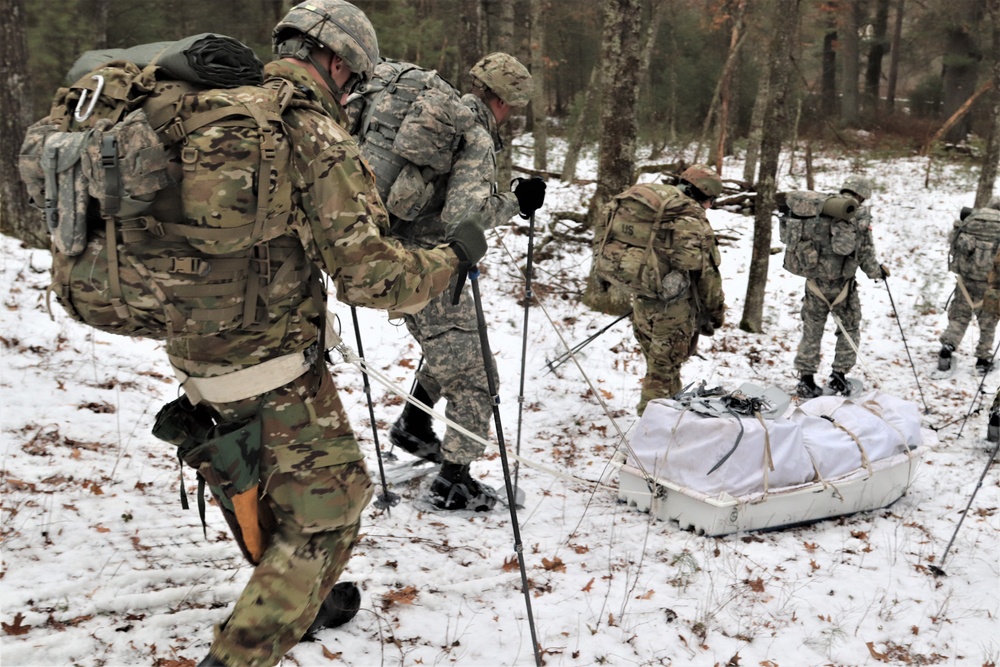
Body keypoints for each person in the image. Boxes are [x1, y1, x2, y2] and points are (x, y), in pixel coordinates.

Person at [181, 2, 488, 666]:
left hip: (192, 344)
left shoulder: (219, 106)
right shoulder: (309, 132)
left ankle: (304, 600)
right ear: (337, 61)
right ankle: (239, 653)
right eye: (353, 84)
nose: (351, 96)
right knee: (332, 512)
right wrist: (454, 257)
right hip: (269, 362)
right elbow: (373, 279)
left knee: (262, 486)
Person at [379, 52, 545, 512]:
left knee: (452, 351)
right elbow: (463, 218)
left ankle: (414, 425)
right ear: (506, 103)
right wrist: (515, 200)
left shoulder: (442, 121)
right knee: (476, 375)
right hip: (430, 266)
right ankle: (454, 482)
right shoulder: (473, 135)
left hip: (401, 257)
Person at [631, 165, 726, 416]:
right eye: (711, 200)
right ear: (703, 195)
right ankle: (649, 434)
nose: (710, 207)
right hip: (673, 312)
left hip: (642, 301)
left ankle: (672, 419)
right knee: (660, 374)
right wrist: (716, 311)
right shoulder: (692, 220)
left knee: (663, 366)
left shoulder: (655, 210)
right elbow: (707, 274)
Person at [794, 176, 888, 398]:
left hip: (814, 283)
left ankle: (806, 380)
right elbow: (865, 253)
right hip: (843, 287)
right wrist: (877, 273)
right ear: (861, 194)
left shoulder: (819, 208)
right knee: (850, 328)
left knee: (812, 329)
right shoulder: (857, 214)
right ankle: (839, 376)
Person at [938, 198, 1000, 374]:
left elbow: (953, 242)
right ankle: (982, 360)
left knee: (959, 317)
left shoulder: (972, 219)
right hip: (992, 284)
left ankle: (948, 348)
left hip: (965, 281)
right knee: (988, 321)